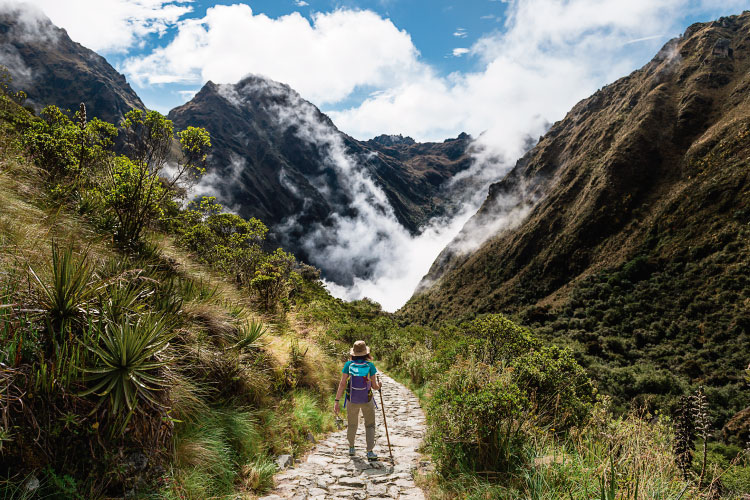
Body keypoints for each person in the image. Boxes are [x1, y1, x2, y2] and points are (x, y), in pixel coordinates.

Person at [334, 340, 381, 459]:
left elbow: (342, 384)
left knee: (352, 424)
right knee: (370, 425)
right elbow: (374, 386)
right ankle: (369, 451)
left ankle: (351, 448)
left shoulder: (348, 365)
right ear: (366, 353)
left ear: (353, 353)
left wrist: (337, 400)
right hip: (367, 399)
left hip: (352, 399)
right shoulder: (370, 366)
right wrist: (379, 385)